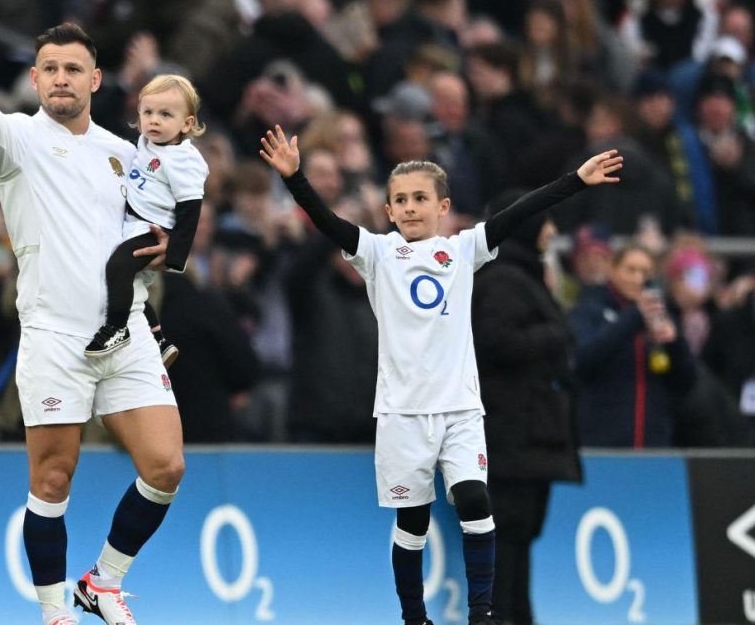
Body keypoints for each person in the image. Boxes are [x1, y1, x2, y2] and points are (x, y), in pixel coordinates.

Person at [259, 125, 622, 625]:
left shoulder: (464, 249)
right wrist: (296, 180)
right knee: (413, 520)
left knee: (475, 499)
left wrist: (575, 182)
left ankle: (483, 612)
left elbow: (519, 213)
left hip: (460, 409)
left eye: (420, 198)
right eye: (400, 200)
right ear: (387, 211)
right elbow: (328, 223)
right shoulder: (377, 253)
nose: (409, 207)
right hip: (401, 412)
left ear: (442, 207)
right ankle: (415, 617)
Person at [0, 0, 179, 625]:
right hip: (53, 336)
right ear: (34, 77)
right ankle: (54, 614)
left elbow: (148, 233)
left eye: (72, 68)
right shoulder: (16, 140)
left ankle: (102, 581)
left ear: (96, 79)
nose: (60, 78)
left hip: (126, 333)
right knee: (52, 482)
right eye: (49, 68)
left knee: (166, 466)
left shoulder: (124, 154)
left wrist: (160, 248)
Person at [472, 192, 582, 625]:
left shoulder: (524, 277)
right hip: (512, 438)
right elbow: (494, 343)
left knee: (518, 541)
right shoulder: (502, 280)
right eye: (546, 222)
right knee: (506, 544)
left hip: (530, 440)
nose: (552, 232)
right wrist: (554, 333)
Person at [85, 74, 208, 368]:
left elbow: (191, 209)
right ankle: (158, 339)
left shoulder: (184, 160)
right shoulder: (145, 143)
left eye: (166, 114)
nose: (154, 120)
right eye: (148, 112)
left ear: (187, 124)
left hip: (154, 229)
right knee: (130, 286)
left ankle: (116, 328)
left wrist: (175, 256)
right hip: (132, 224)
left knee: (117, 267)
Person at [568, 242, 698, 447]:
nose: (638, 278)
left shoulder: (664, 316)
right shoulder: (589, 311)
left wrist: (675, 344)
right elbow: (581, 361)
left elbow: (686, 383)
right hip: (601, 445)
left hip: (653, 444)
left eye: (646, 271)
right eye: (631, 270)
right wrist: (633, 318)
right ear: (612, 269)